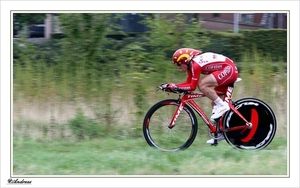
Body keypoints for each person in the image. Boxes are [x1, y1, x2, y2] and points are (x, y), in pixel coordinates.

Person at [161, 48, 239, 144]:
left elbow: (192, 87)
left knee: (202, 85)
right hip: (227, 69)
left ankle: (223, 106)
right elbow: (188, 84)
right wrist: (173, 87)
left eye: (178, 63)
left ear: (185, 60)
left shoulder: (195, 64)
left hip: (228, 69)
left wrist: (175, 87)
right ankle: (220, 134)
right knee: (214, 102)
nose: (178, 67)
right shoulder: (191, 66)